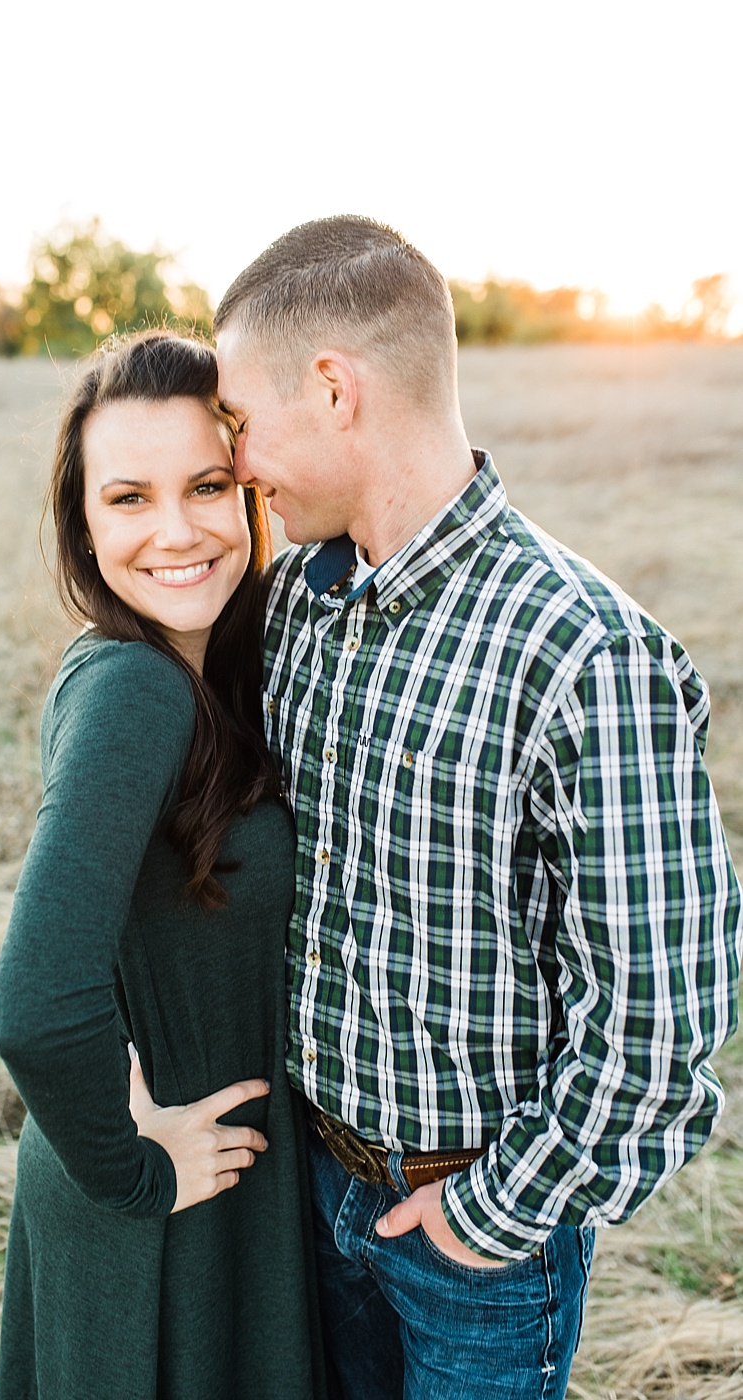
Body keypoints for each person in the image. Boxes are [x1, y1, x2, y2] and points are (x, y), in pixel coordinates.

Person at [213, 215, 743, 1400]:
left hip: (476, 1240)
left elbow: (661, 1022)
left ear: (334, 388)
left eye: (244, 422)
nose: (239, 461)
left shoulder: (585, 654)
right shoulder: (298, 596)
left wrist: (495, 1210)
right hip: (312, 1184)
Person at [0, 331, 325, 1400]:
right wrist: (135, 1175)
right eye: (129, 497)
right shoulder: (134, 689)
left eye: (209, 485)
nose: (177, 531)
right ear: (83, 524)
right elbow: (36, 1003)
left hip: (218, 1189)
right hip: (169, 1201)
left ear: (251, 493)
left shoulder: (201, 672)